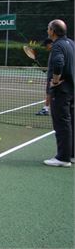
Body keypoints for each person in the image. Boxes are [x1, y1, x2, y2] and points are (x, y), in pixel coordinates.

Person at [43, 19, 74, 168]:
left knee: (62, 124)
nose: (47, 30)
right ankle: (71, 154)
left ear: (53, 31)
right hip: (72, 90)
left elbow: (58, 63)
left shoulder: (57, 46)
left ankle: (63, 158)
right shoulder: (71, 44)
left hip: (61, 92)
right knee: (71, 123)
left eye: (48, 28)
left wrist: (55, 81)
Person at [36, 38, 53, 116]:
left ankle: (46, 109)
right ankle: (46, 108)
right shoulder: (53, 52)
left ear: (50, 44)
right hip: (53, 76)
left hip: (54, 78)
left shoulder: (56, 52)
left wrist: (54, 77)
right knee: (50, 93)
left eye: (46, 46)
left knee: (49, 92)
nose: (45, 47)